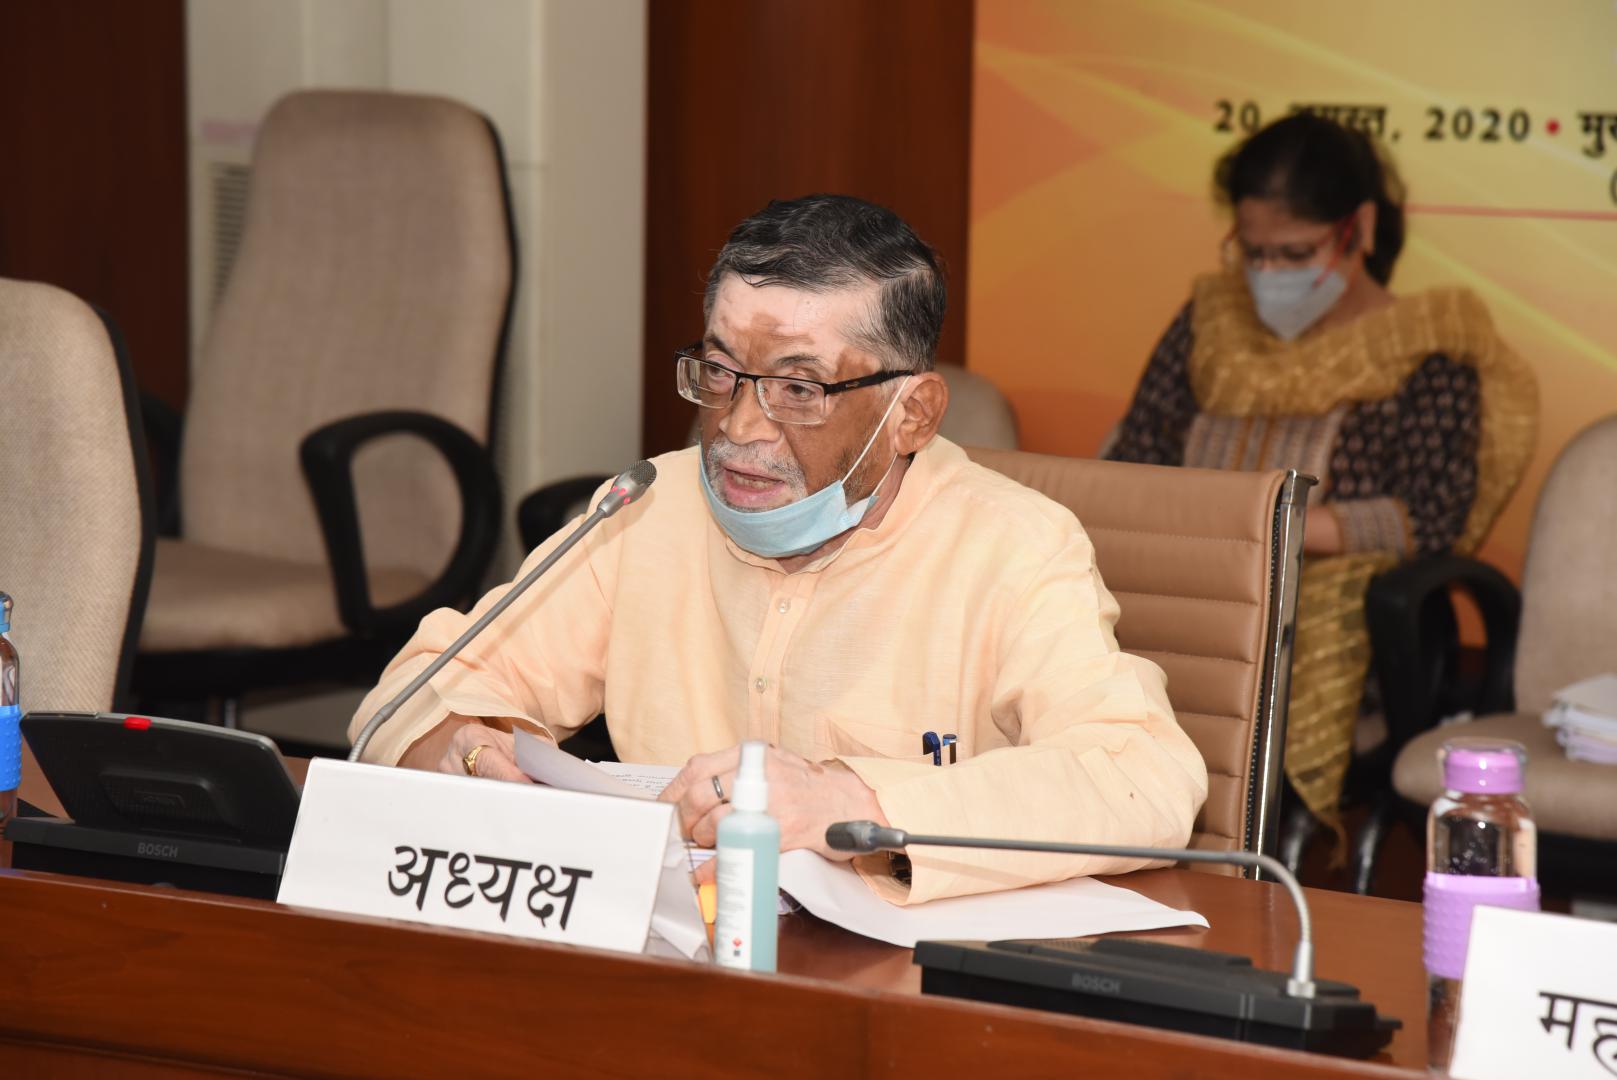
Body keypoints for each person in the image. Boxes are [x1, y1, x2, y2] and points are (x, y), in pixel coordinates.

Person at [351, 194, 1207, 904]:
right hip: (669, 956)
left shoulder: (1013, 546)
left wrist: (854, 802)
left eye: (799, 388)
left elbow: (1142, 780)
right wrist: (465, 748)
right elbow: (414, 694)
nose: (738, 428)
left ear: (910, 413)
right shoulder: (650, 506)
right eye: (720, 372)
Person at [1106, 113, 1537, 842]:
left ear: (1357, 228)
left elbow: (1430, 517)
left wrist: (1267, 528)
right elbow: (1134, 460)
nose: (1270, 274)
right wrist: (1210, 541)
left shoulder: (1427, 350)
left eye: (1295, 253)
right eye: (1254, 253)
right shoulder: (1211, 322)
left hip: (1334, 631)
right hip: (1181, 591)